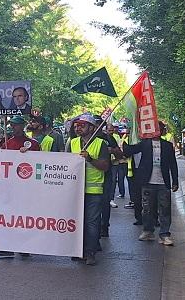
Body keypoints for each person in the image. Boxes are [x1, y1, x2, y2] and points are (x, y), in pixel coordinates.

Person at [122, 122, 178, 245]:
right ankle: (148, 231)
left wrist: (175, 181)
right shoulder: (145, 144)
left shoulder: (168, 146)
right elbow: (130, 150)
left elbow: (173, 164)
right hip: (147, 182)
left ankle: (164, 234)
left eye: (160, 128)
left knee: (165, 209)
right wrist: (126, 138)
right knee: (147, 209)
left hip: (163, 183)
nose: (158, 131)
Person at [67, 114, 110, 266]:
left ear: (92, 128)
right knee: (77, 222)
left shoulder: (100, 144)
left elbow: (105, 166)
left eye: (82, 125)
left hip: (93, 190)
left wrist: (90, 159)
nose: (78, 128)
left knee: (91, 223)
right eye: (77, 125)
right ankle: (78, 251)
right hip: (75, 190)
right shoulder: (72, 143)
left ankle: (90, 252)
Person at [0, 115, 39, 258]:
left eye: (16, 125)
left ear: (22, 126)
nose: (13, 127)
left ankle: (24, 246)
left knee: (24, 217)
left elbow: (39, 161)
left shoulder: (32, 144)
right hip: (11, 186)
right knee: (9, 216)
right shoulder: (7, 144)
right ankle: (8, 246)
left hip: (27, 186)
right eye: (12, 125)